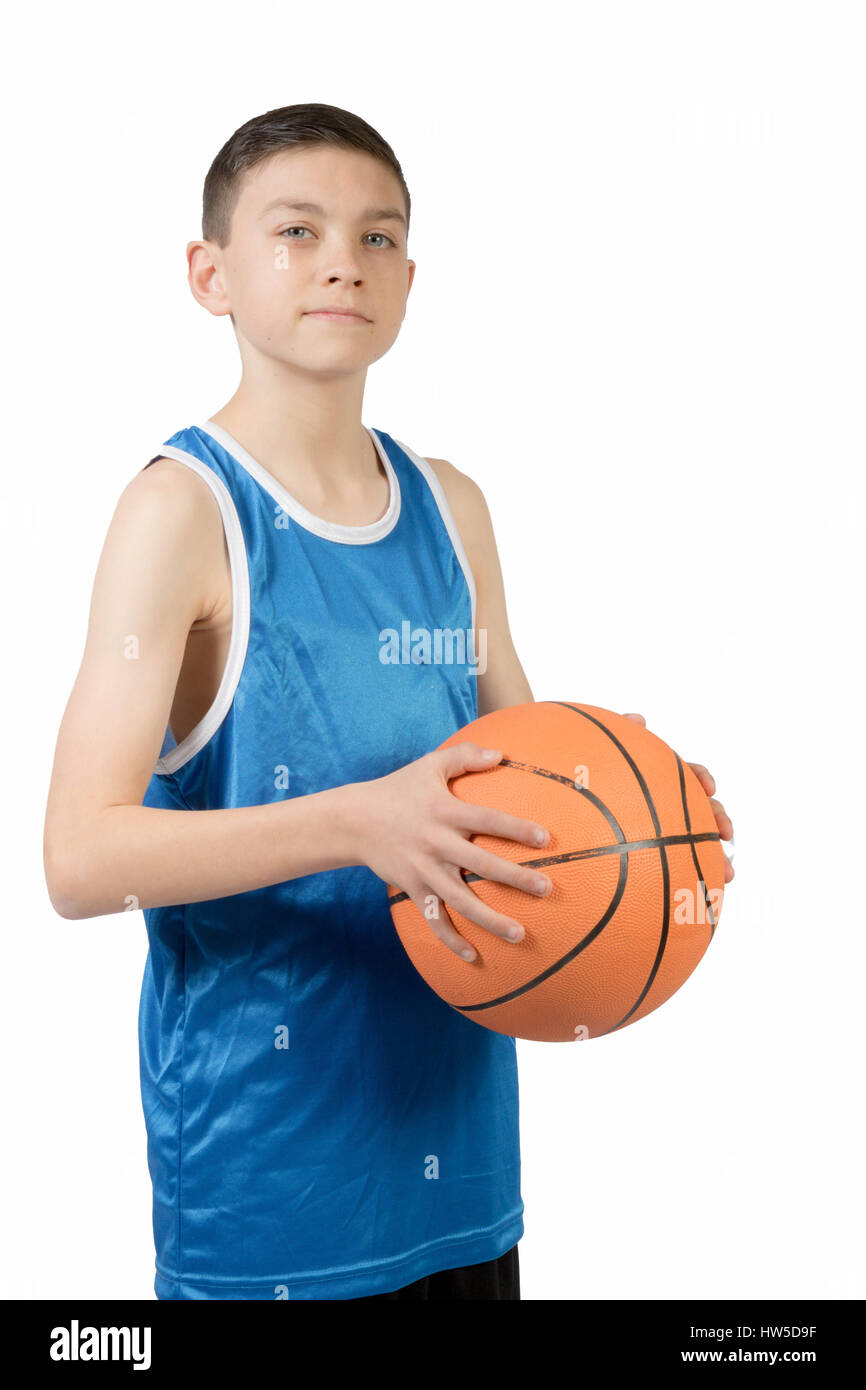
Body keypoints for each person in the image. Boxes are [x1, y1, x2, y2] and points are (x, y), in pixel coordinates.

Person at [43, 103, 734, 1301]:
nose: (337, 263)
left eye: (375, 239)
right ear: (209, 275)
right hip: (269, 1191)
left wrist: (642, 816)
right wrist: (360, 823)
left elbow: (528, 780)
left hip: (460, 1170)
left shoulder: (452, 506)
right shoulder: (180, 512)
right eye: (294, 230)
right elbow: (78, 858)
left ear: (408, 281)